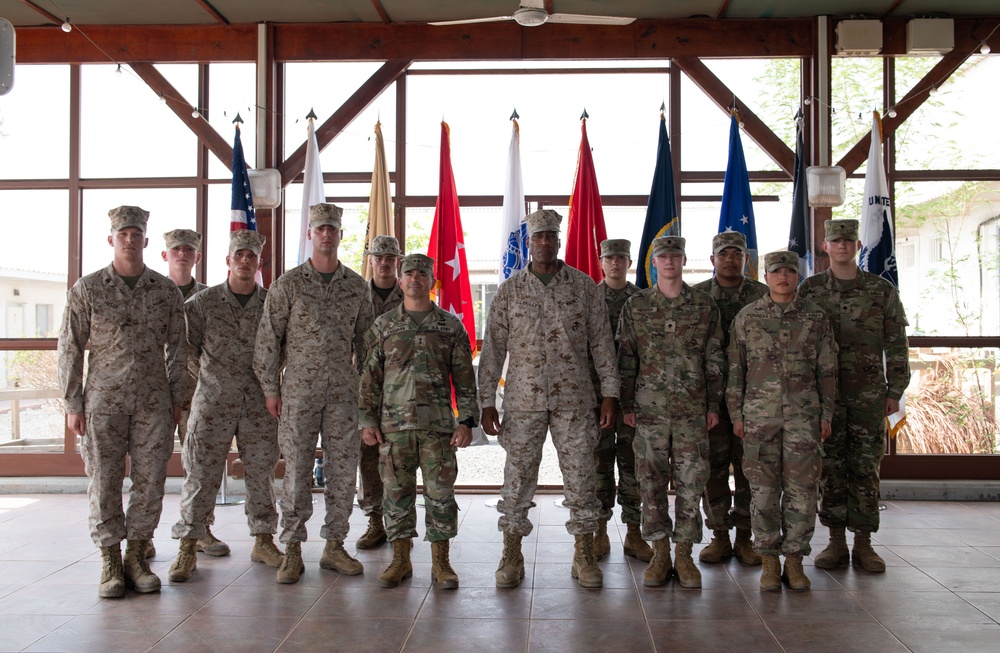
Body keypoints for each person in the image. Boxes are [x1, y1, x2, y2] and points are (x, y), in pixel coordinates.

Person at [479, 209, 618, 590]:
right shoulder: (511, 290)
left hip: (575, 399)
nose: (544, 242)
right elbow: (492, 347)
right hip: (523, 400)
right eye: (537, 236)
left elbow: (602, 344)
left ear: (558, 241)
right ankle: (511, 553)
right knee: (518, 478)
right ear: (529, 242)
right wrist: (486, 401)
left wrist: (610, 393)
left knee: (581, 478)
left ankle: (584, 553)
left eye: (550, 236)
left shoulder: (584, 286)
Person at [57, 205, 187, 598]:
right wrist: (72, 403)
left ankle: (136, 555)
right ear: (111, 239)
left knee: (151, 482)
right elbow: (69, 348)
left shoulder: (164, 291)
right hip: (103, 402)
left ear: (146, 241)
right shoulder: (89, 288)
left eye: (136, 234)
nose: (129, 240)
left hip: (153, 404)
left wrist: (176, 396)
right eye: (123, 234)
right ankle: (110, 561)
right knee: (105, 482)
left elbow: (178, 349)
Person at [254, 203, 374, 584]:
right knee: (297, 472)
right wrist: (271, 389)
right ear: (310, 233)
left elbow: (368, 347)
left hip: (343, 396)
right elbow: (268, 341)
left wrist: (366, 398)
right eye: (319, 228)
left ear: (340, 235)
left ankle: (335, 545)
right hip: (298, 395)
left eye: (332, 229)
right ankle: (291, 548)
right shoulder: (287, 285)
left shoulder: (357, 287)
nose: (326, 234)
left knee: (342, 473)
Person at [168, 229, 284, 582]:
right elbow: (185, 350)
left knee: (261, 473)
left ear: (259, 262)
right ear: (228, 261)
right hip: (213, 401)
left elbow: (284, 347)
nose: (245, 261)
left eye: (251, 256)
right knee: (200, 474)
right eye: (239, 255)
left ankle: (263, 539)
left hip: (259, 402)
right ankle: (188, 546)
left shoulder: (272, 303)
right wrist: (210, 376)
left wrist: (268, 381)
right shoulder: (201, 304)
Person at [359, 253, 478, 589]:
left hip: (438, 428)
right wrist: (367, 420)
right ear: (400, 281)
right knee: (396, 495)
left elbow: (465, 379)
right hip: (393, 429)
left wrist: (467, 421)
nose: (415, 279)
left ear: (431, 281)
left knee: (441, 495)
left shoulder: (450, 326)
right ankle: (400, 560)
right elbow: (370, 378)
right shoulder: (383, 326)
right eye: (408, 273)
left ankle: (441, 564)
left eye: (422, 274)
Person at [798, 219, 910, 573]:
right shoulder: (810, 290)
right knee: (830, 468)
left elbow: (896, 344)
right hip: (825, 398)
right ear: (826, 247)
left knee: (864, 469)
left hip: (868, 394)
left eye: (848, 241)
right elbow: (799, 346)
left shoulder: (881, 290)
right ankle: (834, 542)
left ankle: (864, 543)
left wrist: (895, 390)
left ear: (858, 246)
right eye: (835, 241)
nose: (842, 246)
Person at [727, 250, 838, 590]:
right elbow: (735, 372)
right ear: (766, 276)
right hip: (760, 419)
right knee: (762, 492)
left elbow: (828, 371)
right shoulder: (748, 317)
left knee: (802, 492)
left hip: (804, 419)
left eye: (789, 271)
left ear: (797, 276)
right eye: (776, 272)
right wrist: (736, 415)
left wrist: (826, 414)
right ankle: (769, 562)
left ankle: (794, 561)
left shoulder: (815, 318)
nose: (783, 277)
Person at [617, 235, 724, 589]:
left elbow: (714, 359)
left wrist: (712, 405)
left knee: (692, 484)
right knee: (650, 484)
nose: (669, 262)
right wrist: (627, 404)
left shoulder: (704, 306)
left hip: (692, 412)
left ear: (683, 260)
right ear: (653, 262)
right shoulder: (637, 306)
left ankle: (684, 555)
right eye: (662, 257)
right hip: (648, 413)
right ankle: (660, 553)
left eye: (675, 256)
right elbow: (627, 358)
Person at [691, 231, 768, 566]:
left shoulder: (762, 296)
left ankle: (745, 538)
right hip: (709, 398)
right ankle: (720, 536)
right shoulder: (696, 297)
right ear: (712, 260)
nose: (730, 259)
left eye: (737, 254)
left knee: (751, 467)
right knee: (714, 469)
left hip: (755, 397)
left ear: (746, 259)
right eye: (723, 254)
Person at [161, 228, 229, 559]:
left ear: (197, 257)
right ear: (165, 255)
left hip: (199, 395)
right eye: (176, 250)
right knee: (151, 467)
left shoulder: (210, 299)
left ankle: (201, 529)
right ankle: (141, 536)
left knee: (200, 466)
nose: (182, 254)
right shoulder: (154, 293)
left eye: (189, 250)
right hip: (156, 392)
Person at [592, 238, 651, 562]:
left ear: (629, 263)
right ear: (601, 262)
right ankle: (599, 531)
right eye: (609, 257)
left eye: (621, 258)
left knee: (633, 467)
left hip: (634, 399)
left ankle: (634, 533)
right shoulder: (590, 299)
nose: (615, 263)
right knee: (599, 466)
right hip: (595, 398)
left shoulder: (642, 301)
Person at [356, 234, 404, 551]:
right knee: (369, 457)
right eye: (378, 257)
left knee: (401, 458)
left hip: (403, 393)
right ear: (370, 260)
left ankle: (400, 521)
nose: (384, 263)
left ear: (397, 261)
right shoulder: (355, 297)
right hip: (366, 391)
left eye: (390, 258)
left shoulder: (413, 294)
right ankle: (375, 520)